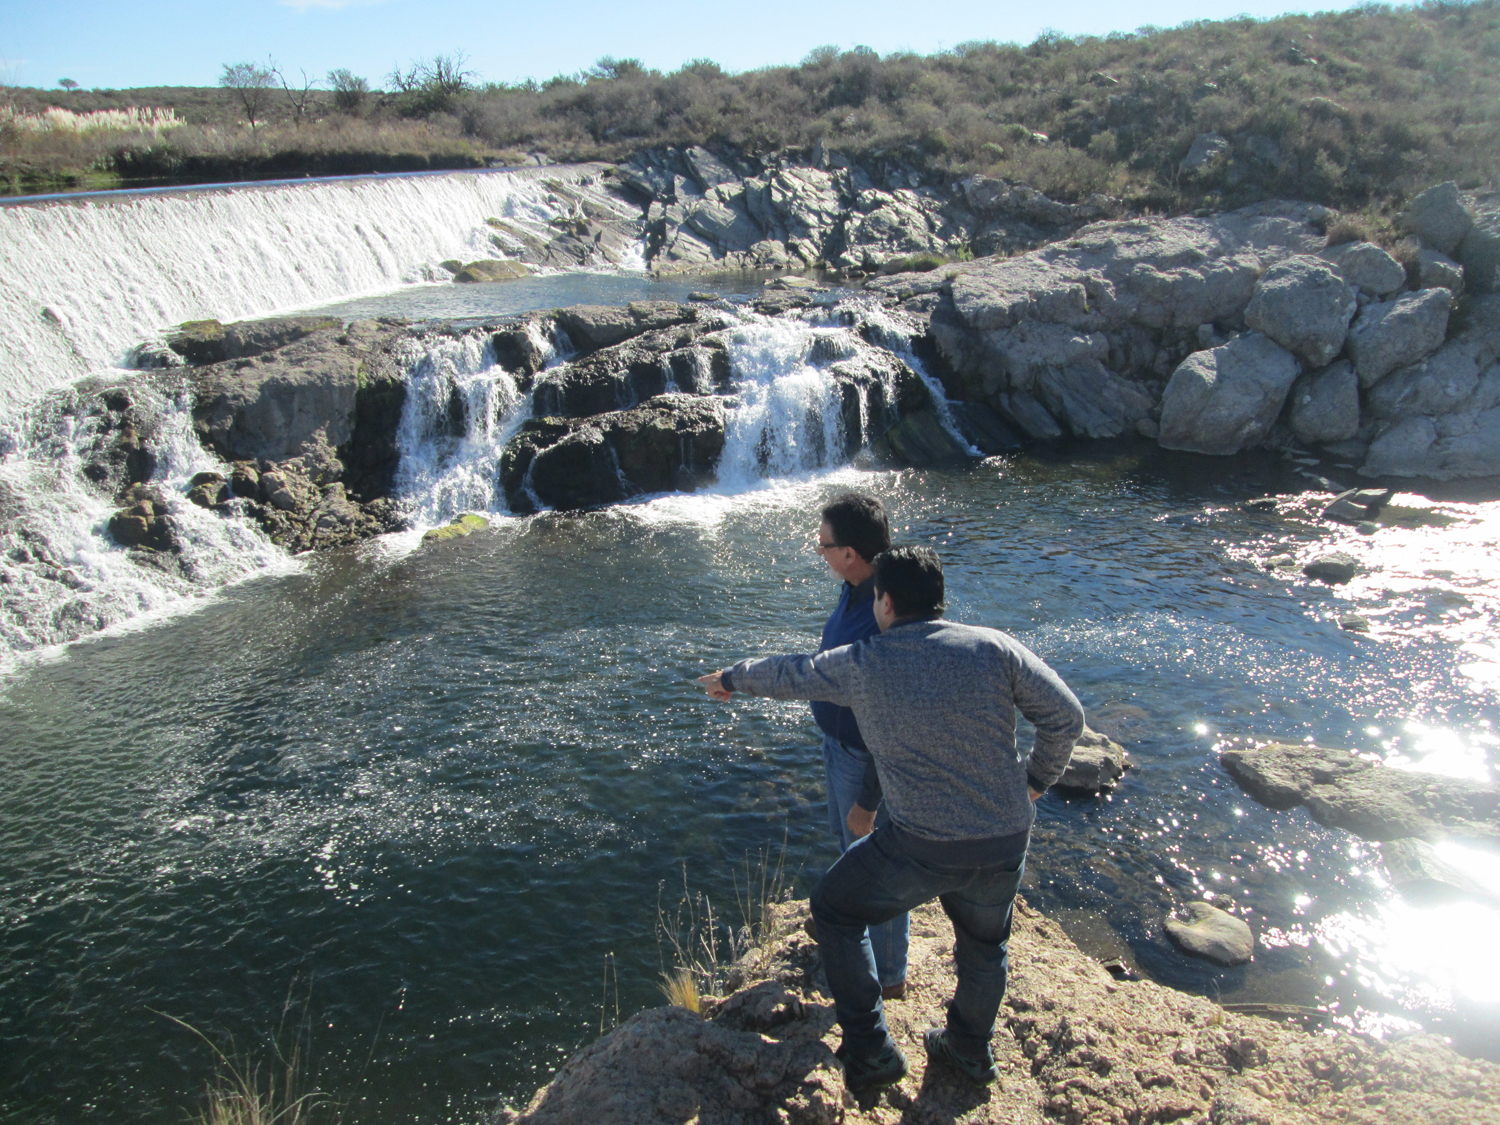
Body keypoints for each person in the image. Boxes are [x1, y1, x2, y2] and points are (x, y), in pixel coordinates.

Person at [699, 546, 1083, 1099]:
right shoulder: (995, 647)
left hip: (918, 845)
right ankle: (970, 1051)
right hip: (1004, 838)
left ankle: (871, 1048)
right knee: (984, 946)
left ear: (885, 601)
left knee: (834, 910)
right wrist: (1035, 783)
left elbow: (790, 674)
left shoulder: (864, 662)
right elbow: (1067, 717)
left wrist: (732, 679)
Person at [808, 493, 909, 1002]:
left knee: (876, 871)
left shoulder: (884, 611)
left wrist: (870, 799)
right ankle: (867, 958)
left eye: (824, 545)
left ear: (851, 552)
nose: (819, 552)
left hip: (863, 760)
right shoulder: (856, 587)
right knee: (851, 854)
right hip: (838, 746)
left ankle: (886, 981)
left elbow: (891, 727)